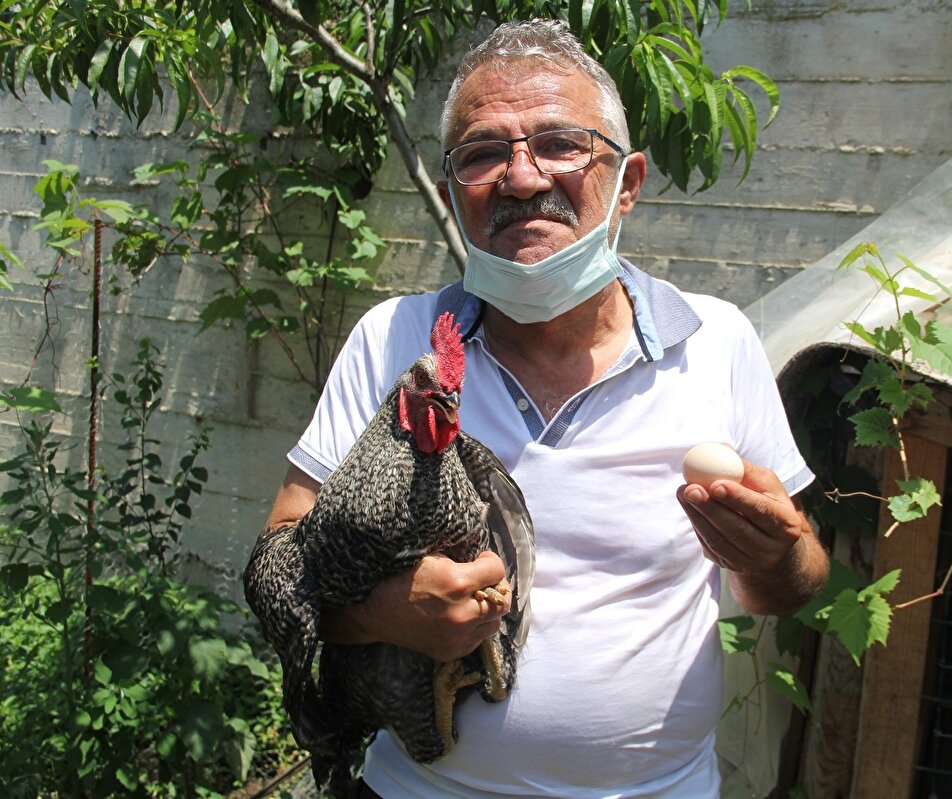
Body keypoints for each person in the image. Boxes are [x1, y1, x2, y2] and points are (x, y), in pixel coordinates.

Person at [258, 18, 829, 799]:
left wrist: (776, 556)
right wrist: (382, 613)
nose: (522, 178)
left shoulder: (718, 343)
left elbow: (791, 586)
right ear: (454, 185)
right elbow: (280, 552)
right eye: (484, 153)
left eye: (560, 143)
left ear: (627, 181)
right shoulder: (396, 339)